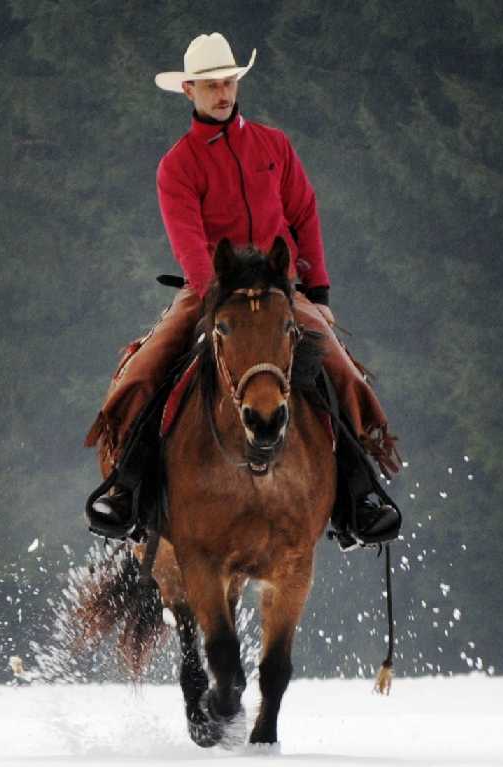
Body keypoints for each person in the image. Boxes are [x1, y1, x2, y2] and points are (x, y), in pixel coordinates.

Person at [85, 33, 401, 549]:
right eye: (211, 85)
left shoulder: (274, 145)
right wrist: (214, 294)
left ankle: (360, 495)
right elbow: (189, 242)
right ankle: (127, 487)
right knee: (143, 371)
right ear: (189, 90)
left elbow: (303, 212)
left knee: (342, 372)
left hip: (279, 289)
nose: (222, 93)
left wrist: (318, 291)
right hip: (209, 291)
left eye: (229, 82)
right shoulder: (178, 164)